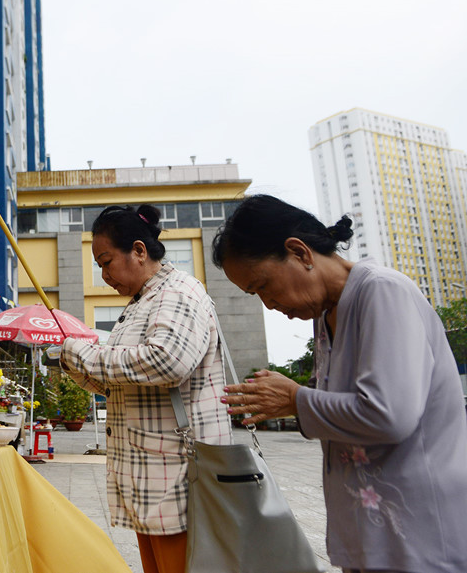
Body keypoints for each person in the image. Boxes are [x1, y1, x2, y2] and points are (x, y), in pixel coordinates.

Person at [212, 194, 467, 573]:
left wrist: (296, 399)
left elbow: (389, 415)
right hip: (368, 534)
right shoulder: (326, 314)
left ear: (299, 252)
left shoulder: (382, 291)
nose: (269, 304)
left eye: (264, 286)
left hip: (420, 532)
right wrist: (293, 401)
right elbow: (339, 412)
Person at [57, 204, 231, 573]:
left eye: (106, 262)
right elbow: (117, 383)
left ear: (138, 250)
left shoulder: (178, 292)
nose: (104, 275)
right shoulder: (140, 304)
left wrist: (83, 353)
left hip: (178, 475)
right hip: (149, 476)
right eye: (99, 266)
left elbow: (167, 361)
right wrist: (72, 363)